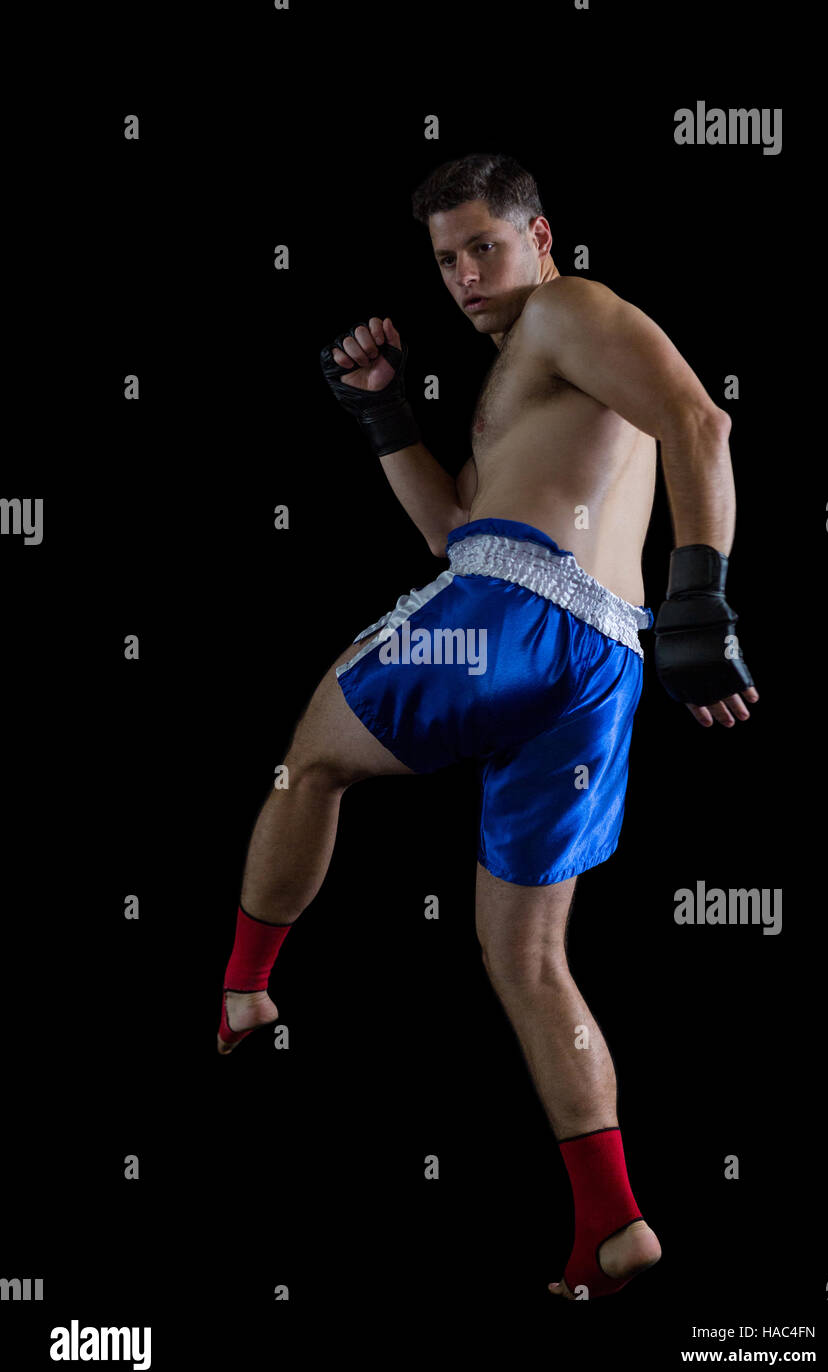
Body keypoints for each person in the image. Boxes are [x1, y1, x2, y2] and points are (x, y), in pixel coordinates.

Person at [216, 153, 758, 1301]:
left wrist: (702, 593)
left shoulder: (571, 308)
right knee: (525, 955)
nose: (462, 275)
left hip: (515, 613)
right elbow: (453, 526)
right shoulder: (526, 364)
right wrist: (380, 415)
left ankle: (244, 986)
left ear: (540, 234)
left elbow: (697, 421)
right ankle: (613, 1222)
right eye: (444, 259)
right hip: (593, 662)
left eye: (480, 246)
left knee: (309, 761)